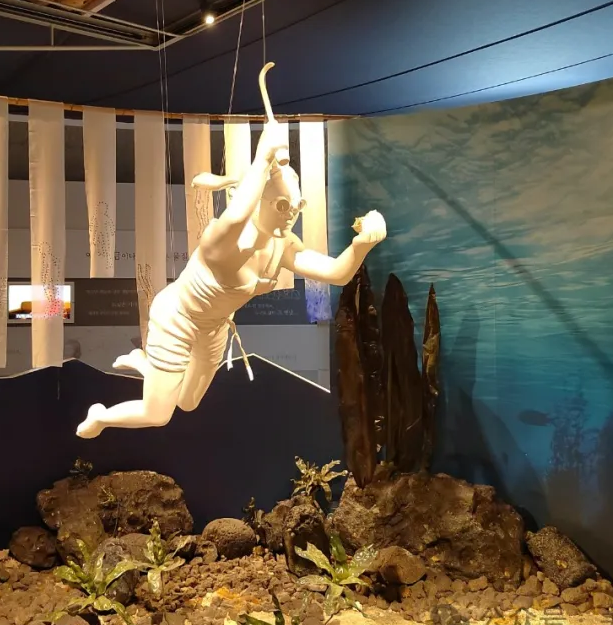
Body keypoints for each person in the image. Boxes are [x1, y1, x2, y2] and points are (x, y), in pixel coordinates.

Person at [75, 118, 387, 438]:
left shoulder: (282, 246)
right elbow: (237, 215)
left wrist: (361, 245)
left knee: (188, 402)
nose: (290, 214)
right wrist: (262, 158)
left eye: (297, 206)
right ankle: (101, 416)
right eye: (282, 205)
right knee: (157, 414)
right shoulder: (222, 240)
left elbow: (337, 274)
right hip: (177, 319)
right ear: (257, 201)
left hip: (215, 327)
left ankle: (147, 366)